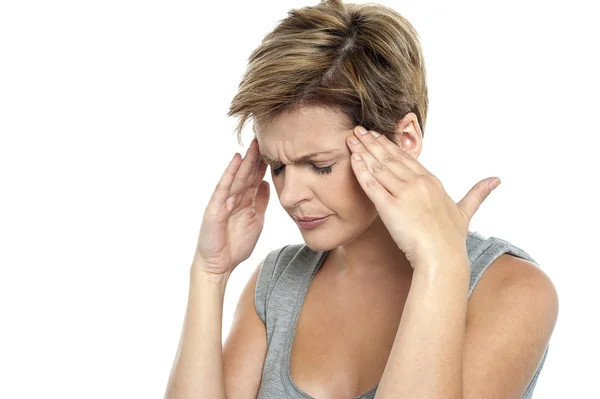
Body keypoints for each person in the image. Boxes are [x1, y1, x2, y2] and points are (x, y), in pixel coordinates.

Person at [164, 1, 558, 398]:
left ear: (404, 140)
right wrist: (209, 273)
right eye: (277, 167)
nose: (289, 195)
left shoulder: (512, 288)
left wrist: (441, 264)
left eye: (319, 165)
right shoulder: (277, 282)